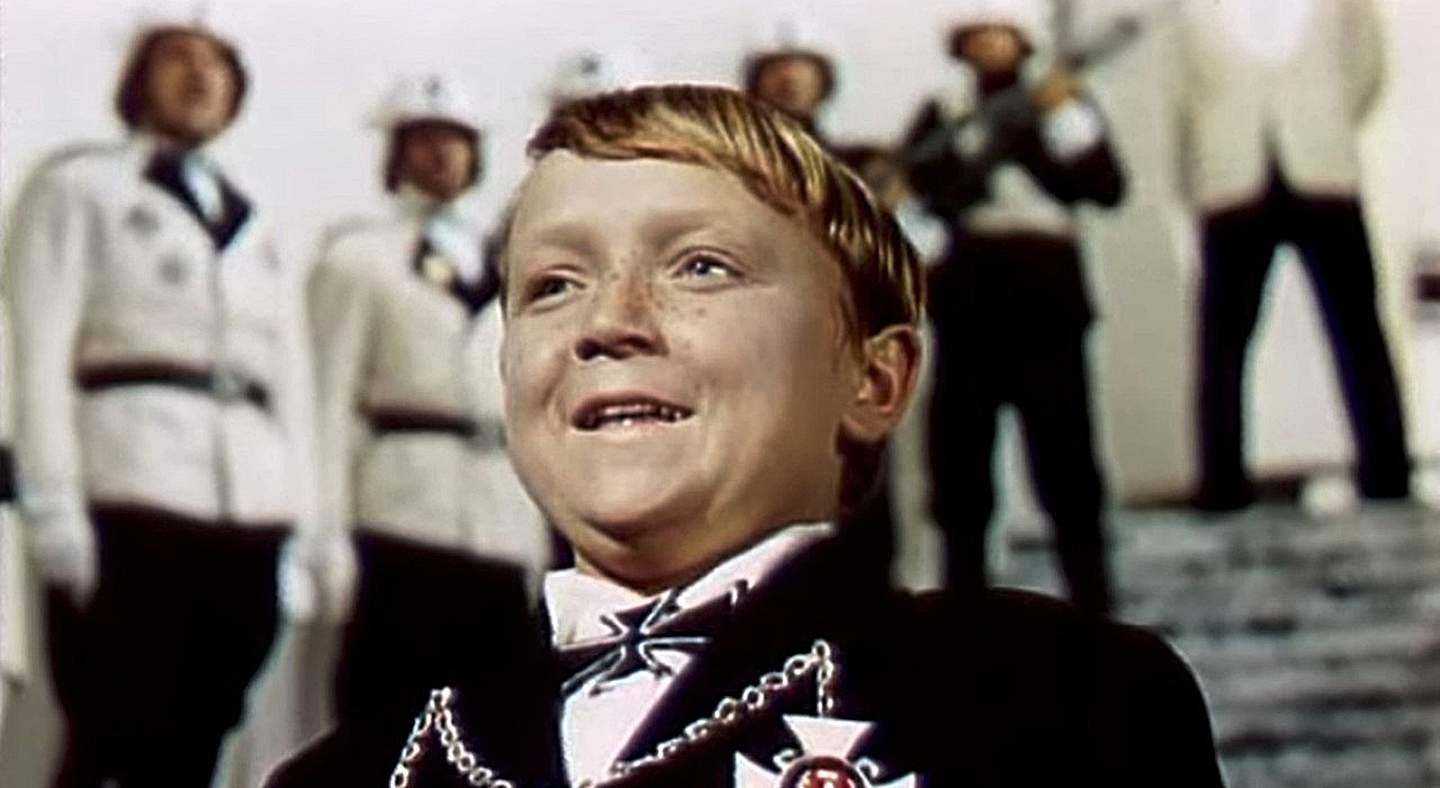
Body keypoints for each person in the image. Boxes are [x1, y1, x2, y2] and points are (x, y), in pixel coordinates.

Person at [266, 83, 1221, 787]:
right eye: (554, 284)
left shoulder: (1056, 701)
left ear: (873, 378)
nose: (608, 322)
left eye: (702, 266)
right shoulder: (348, 775)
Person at [1, 19, 327, 786]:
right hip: (129, 492)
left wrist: (303, 530)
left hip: (247, 510)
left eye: (218, 64)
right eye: (177, 58)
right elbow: (37, 352)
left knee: (202, 733)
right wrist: (53, 502)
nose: (200, 76)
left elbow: (292, 380)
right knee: (112, 731)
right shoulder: (81, 188)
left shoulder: (255, 218)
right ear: (137, 79)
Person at [308, 73, 550, 724]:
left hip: (498, 524)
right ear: (395, 153)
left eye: (456, 140)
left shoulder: (511, 265)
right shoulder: (359, 258)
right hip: (399, 519)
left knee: (489, 727)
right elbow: (327, 404)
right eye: (423, 139)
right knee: (386, 721)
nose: (442, 155)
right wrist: (326, 535)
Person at [902, 0, 1124, 614]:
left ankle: (1093, 605)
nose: (989, 44)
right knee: (961, 469)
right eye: (977, 34)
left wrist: (1050, 127)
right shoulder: (946, 111)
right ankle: (962, 611)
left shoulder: (1058, 103)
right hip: (971, 295)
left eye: (999, 32)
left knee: (1067, 463)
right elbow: (914, 195)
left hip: (1047, 294)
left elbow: (1104, 187)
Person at [1172, 0, 1411, 512]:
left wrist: (1325, 121)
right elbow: (1181, 95)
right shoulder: (1193, 9)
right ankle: (1222, 485)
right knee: (1222, 342)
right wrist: (1195, 178)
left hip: (1323, 171)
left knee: (1358, 330)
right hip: (1232, 180)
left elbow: (1367, 68)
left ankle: (1387, 473)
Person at [740, 20, 839, 146]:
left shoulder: (844, 157)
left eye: (802, 67)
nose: (790, 78)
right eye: (776, 68)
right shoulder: (731, 155)